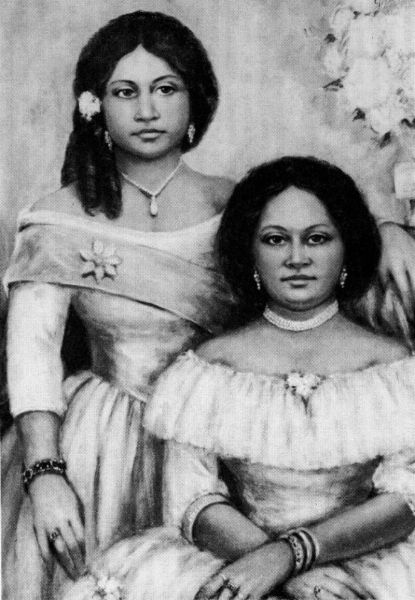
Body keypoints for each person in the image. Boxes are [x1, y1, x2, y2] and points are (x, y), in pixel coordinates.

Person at [63, 156, 415, 600]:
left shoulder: (393, 366)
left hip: (366, 563)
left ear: (347, 246)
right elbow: (193, 501)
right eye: (275, 239)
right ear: (250, 251)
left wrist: (296, 553)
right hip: (239, 560)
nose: (297, 258)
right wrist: (279, 567)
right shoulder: (209, 367)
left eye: (317, 238)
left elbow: (407, 497)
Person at [1, 10, 234, 599]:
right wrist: (44, 474)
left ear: (195, 98)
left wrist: (386, 233)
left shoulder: (238, 205)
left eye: (166, 89)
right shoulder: (57, 217)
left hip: (217, 440)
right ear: (94, 105)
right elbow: (32, 356)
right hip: (98, 446)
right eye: (125, 92)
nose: (147, 110)